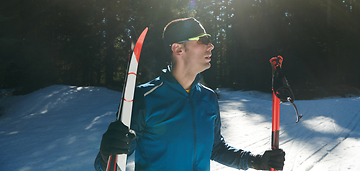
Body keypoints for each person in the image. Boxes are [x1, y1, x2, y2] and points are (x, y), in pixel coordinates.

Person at [94, 17, 285, 171]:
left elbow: (215, 148)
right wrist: (105, 155)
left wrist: (257, 161)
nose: (211, 46)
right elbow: (110, 163)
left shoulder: (208, 98)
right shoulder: (145, 98)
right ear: (178, 49)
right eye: (203, 40)